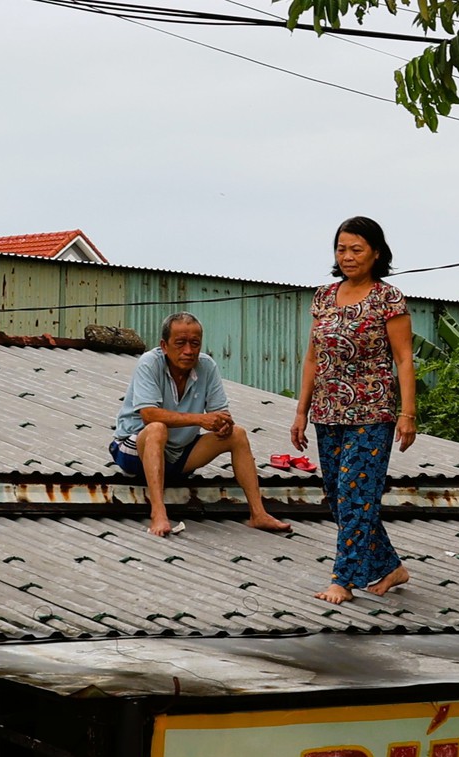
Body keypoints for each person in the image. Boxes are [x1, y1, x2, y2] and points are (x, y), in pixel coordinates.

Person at [291, 216, 417, 603]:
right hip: (327, 413)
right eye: (341, 249)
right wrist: (301, 412)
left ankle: (341, 580)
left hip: (372, 413)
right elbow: (313, 358)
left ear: (376, 253)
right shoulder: (323, 297)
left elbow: (404, 359)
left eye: (356, 249)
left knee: (356, 492)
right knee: (341, 497)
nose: (347, 256)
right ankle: (391, 566)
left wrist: (407, 414)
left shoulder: (388, 297)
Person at [113, 313, 290, 538]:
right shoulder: (150, 362)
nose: (188, 350)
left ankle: (258, 513)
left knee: (237, 434)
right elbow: (148, 415)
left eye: (194, 344)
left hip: (178, 456)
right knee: (158, 428)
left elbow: (221, 413)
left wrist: (223, 425)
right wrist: (201, 420)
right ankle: (158, 513)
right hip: (134, 450)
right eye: (180, 343)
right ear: (164, 346)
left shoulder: (207, 366)